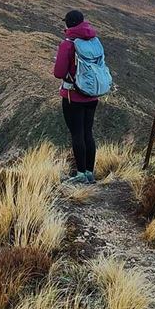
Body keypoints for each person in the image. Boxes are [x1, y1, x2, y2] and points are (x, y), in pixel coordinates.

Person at [53, 10, 100, 184]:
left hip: (73, 96)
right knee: (88, 133)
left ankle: (80, 175)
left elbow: (59, 72)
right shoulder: (94, 40)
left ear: (68, 24)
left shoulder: (68, 44)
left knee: (77, 134)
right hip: (92, 95)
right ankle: (89, 172)